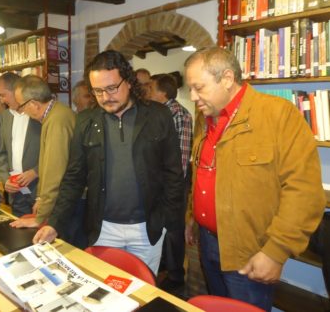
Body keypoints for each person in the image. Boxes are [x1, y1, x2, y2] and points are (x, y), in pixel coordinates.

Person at [184, 46, 326, 310]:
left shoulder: (278, 115)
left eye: (199, 87)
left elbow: (304, 192)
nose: (193, 96)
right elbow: (204, 172)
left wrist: (276, 251)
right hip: (208, 242)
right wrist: (193, 216)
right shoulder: (206, 119)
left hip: (249, 252)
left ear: (226, 78)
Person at [33, 50, 185, 274]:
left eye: (112, 88)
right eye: (97, 91)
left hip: (147, 229)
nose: (105, 97)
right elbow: (74, 177)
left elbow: (173, 174)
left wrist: (166, 221)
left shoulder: (158, 115)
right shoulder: (85, 121)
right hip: (103, 230)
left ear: (129, 81)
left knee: (143, 295)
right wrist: (55, 222)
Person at [10, 75, 76, 228]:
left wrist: (40, 217)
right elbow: (45, 163)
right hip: (61, 199)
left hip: (67, 203)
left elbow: (54, 170)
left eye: (21, 106)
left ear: (34, 104)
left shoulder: (57, 120)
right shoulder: (53, 115)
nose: (22, 111)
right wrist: (40, 197)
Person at [149, 73, 192, 295]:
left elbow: (181, 161)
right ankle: (165, 266)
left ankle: (176, 278)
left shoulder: (180, 116)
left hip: (173, 187)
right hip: (158, 185)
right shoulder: (156, 113)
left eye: (151, 88)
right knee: (162, 227)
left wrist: (170, 189)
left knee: (174, 230)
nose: (147, 92)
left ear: (162, 93)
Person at [0, 72, 41, 217]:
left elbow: (55, 153)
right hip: (16, 193)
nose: (1, 101)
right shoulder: (5, 116)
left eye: (3, 95)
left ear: (16, 90)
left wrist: (36, 171)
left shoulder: (38, 114)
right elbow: (2, 154)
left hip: (39, 190)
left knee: (43, 237)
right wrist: (5, 179)